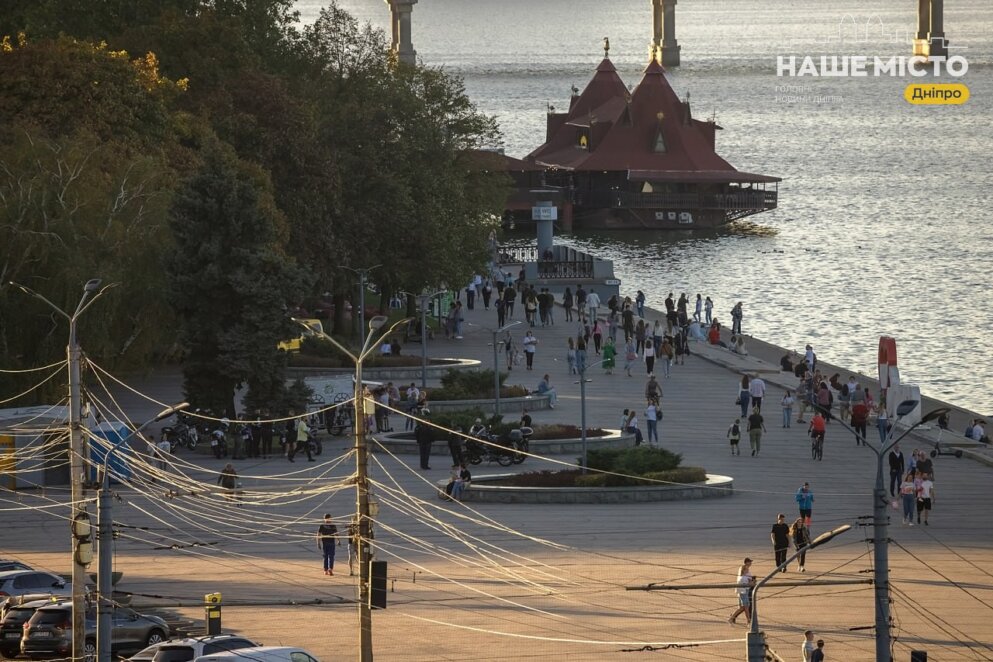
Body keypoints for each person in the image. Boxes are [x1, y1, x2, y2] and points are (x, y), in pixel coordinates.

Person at [728, 558, 754, 624]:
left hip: (743, 591)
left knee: (743, 607)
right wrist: (752, 582)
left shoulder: (744, 571)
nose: (751, 563)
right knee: (746, 606)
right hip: (743, 592)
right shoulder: (743, 575)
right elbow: (748, 582)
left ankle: (732, 617)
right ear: (746, 562)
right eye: (750, 562)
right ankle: (748, 620)